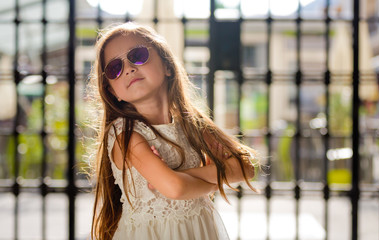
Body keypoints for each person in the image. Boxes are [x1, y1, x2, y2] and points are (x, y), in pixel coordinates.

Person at [88, 22, 257, 240]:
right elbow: (175, 189)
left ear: (167, 65)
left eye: (137, 55)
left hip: (198, 231)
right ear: (113, 92)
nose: (128, 68)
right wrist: (216, 176)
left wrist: (181, 177)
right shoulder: (125, 135)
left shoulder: (190, 124)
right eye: (115, 68)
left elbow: (245, 168)